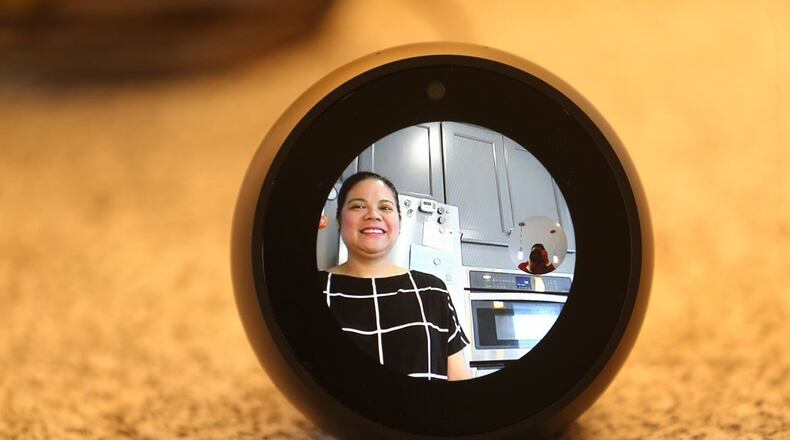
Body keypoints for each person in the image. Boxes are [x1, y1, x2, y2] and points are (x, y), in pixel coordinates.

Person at [319, 171, 473, 381]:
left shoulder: (432, 289)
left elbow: (460, 378)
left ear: (399, 224)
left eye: (385, 207)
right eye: (358, 206)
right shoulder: (311, 290)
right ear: (339, 220)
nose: (373, 215)